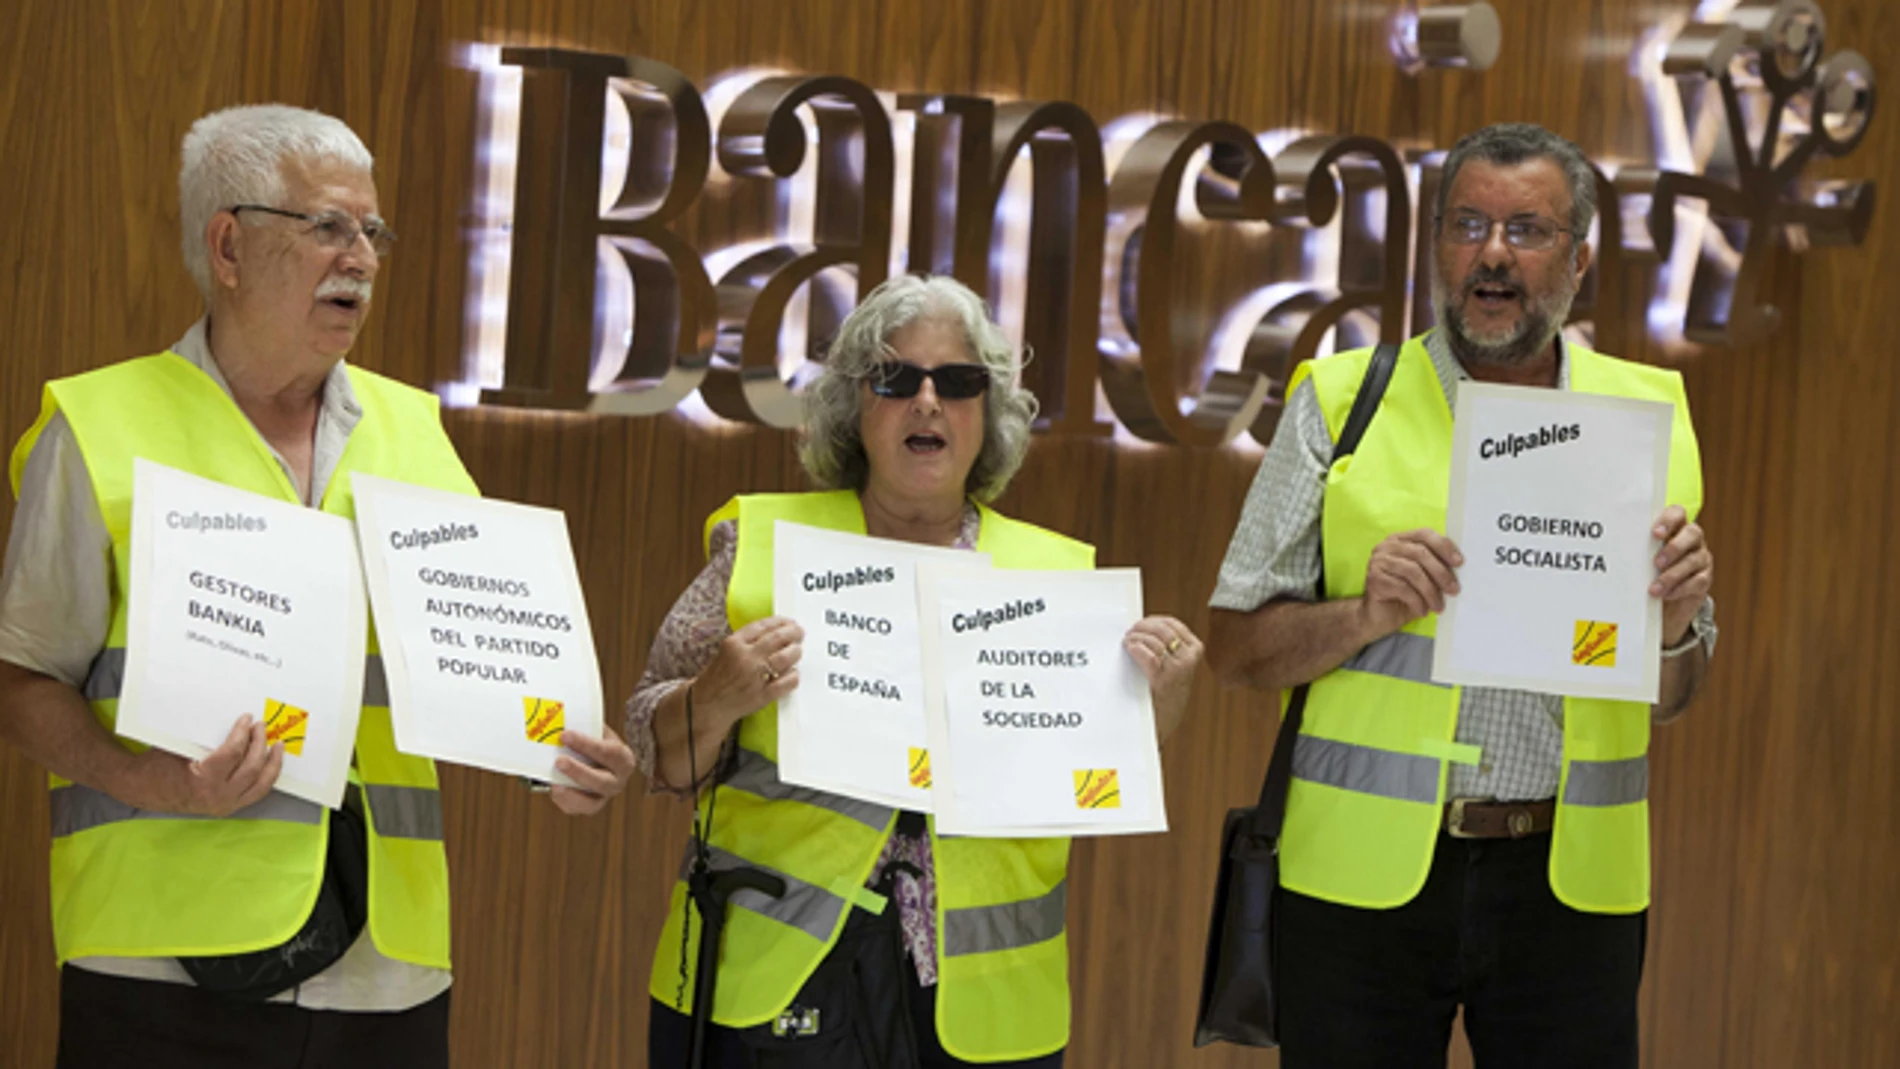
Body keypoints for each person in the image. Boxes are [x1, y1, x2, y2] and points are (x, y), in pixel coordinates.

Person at [0, 103, 635, 1068]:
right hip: (160, 972)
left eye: (372, 231)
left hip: (387, 974)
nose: (364, 258)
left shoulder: (415, 433)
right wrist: (156, 782)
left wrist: (555, 754)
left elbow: (479, 668)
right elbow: (21, 677)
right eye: (329, 227)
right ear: (228, 245)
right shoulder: (96, 427)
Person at [1205, 122, 1718, 1068]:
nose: (1492, 252)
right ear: (1436, 244)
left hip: (1571, 891)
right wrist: (1362, 614)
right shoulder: (1340, 398)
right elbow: (1234, 649)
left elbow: (1675, 698)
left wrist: (1677, 630)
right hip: (1359, 886)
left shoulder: (1644, 420)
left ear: (1581, 260)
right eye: (1468, 223)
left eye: (1527, 230)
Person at [628, 274, 1203, 1068]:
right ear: (856, 406)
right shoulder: (760, 546)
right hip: (770, 987)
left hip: (985, 1010)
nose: (928, 401)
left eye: (959, 382)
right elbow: (651, 748)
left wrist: (1161, 704)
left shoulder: (1054, 581)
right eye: (897, 378)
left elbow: (1097, 772)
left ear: (986, 414)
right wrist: (714, 697)